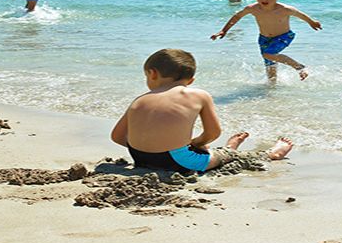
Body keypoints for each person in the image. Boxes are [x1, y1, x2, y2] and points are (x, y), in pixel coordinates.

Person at [110, 49, 293, 174]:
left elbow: (117, 137)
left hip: (140, 158)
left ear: (152, 74)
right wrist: (195, 143)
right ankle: (268, 153)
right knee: (222, 156)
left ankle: (223, 148)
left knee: (193, 150)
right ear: (190, 80)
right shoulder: (199, 95)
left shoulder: (140, 99)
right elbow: (213, 133)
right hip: (178, 162)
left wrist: (150, 145)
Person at [211, 0, 322, 82]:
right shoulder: (252, 8)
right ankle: (272, 87)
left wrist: (312, 22)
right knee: (269, 64)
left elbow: (300, 15)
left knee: (269, 54)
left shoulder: (285, 9)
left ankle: (299, 67)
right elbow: (237, 16)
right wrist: (223, 30)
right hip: (263, 38)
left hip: (284, 36)